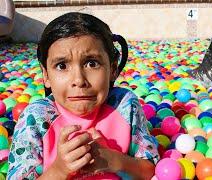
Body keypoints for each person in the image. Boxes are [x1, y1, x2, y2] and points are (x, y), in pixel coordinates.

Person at [7, 12, 159, 180]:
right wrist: (58, 170)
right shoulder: (35, 119)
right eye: (62, 65)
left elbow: (150, 170)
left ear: (113, 69)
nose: (79, 80)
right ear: (46, 76)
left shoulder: (124, 106)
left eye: (92, 63)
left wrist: (116, 161)